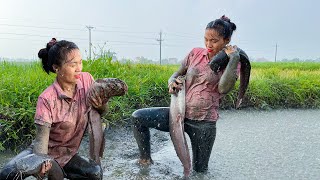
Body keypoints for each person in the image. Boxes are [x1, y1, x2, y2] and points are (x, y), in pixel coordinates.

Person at [132, 15, 241, 174]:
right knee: (138, 117)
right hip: (178, 114)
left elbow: (224, 88)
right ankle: (145, 160)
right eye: (206, 39)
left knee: (200, 172)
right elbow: (176, 74)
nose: (208, 45)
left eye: (214, 41)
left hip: (204, 124)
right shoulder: (195, 53)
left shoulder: (234, 63)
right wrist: (171, 82)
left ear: (226, 40)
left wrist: (234, 58)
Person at [0, 38, 111, 179]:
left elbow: (103, 111)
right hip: (45, 151)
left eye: (80, 62)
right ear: (56, 68)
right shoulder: (47, 98)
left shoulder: (87, 80)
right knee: (7, 174)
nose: (79, 68)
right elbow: (41, 141)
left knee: (95, 173)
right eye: (73, 65)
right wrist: (41, 163)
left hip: (68, 155)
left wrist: (101, 102)